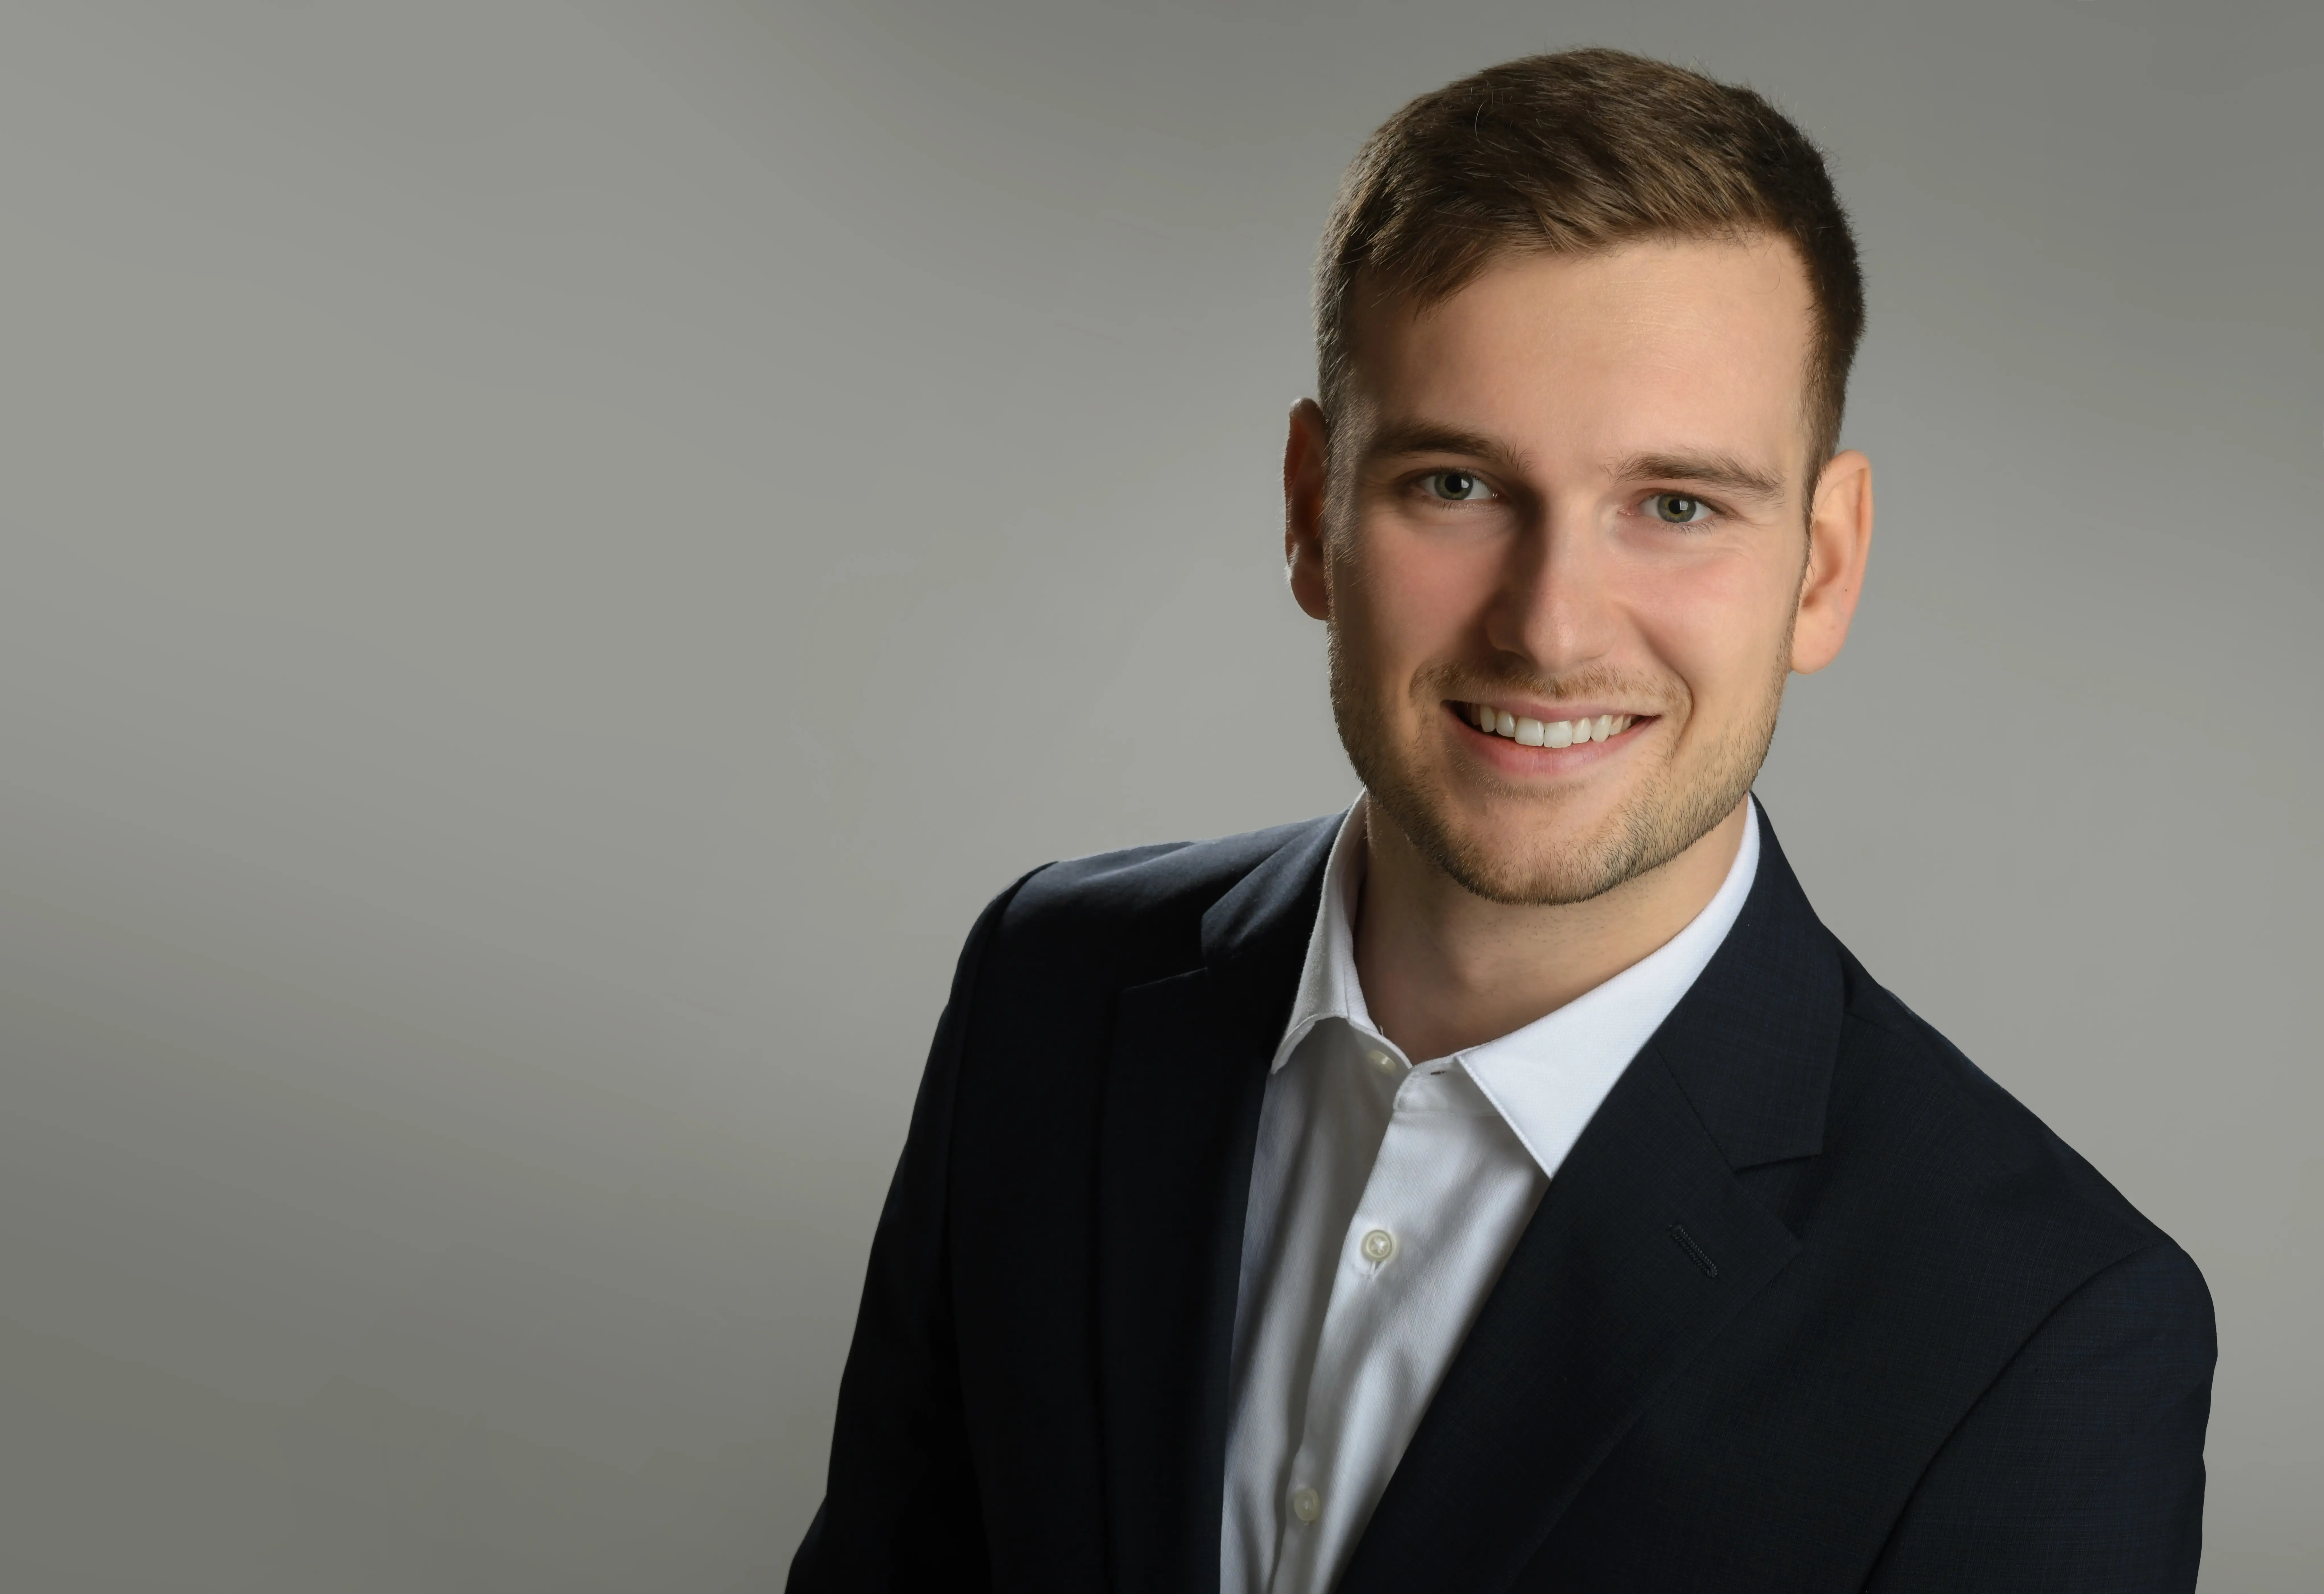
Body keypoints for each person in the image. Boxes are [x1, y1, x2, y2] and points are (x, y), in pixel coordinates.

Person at [787, 47, 2214, 1594]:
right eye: (1458, 484)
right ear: (1310, 510)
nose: (1550, 628)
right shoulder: (1048, 992)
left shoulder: (2041, 1337)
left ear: (1823, 565)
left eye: (1678, 506)